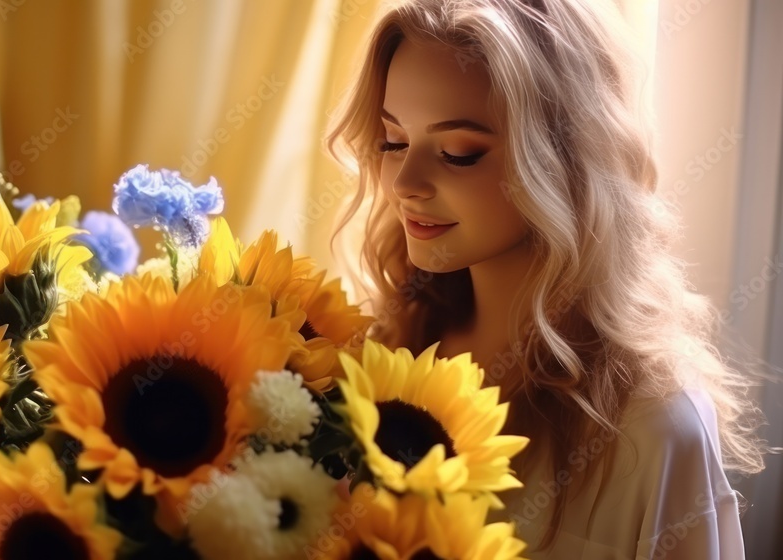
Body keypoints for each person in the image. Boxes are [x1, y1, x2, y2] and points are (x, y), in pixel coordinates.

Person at [325, 0, 768, 558]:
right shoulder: (381, 355)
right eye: (393, 140)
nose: (405, 181)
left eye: (459, 153)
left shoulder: (653, 430)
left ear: (564, 159)